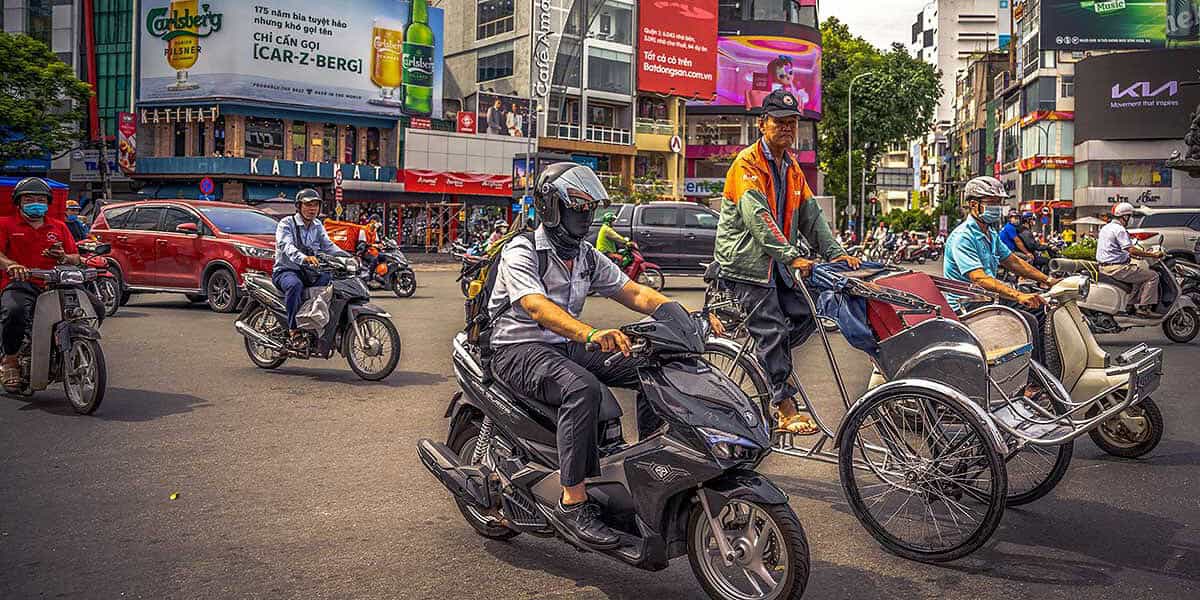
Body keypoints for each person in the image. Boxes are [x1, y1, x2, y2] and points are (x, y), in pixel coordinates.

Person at [488, 162, 722, 550]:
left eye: (588, 207)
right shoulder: (522, 249)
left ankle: (653, 462)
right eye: (576, 206)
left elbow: (633, 292)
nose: (584, 215)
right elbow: (535, 307)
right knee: (583, 388)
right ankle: (573, 501)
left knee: (653, 359)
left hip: (565, 345)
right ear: (551, 207)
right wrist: (592, 334)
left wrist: (680, 314)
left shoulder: (585, 256)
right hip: (518, 348)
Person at [715, 89, 860, 436]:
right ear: (762, 124)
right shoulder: (747, 164)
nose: (786, 127)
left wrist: (836, 253)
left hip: (778, 260)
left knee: (811, 311)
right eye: (779, 121)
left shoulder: (791, 166)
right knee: (773, 330)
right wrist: (794, 254)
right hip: (746, 262)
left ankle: (769, 362)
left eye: (792, 122)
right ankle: (783, 406)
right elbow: (758, 218)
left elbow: (812, 216)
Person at [943, 176, 1058, 363]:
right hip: (969, 305)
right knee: (1029, 321)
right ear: (974, 204)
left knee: (1044, 309)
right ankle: (1032, 382)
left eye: (999, 202)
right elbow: (979, 278)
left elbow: (1013, 262)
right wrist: (1018, 295)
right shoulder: (963, 236)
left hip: (988, 299)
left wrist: (1049, 280)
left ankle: (1046, 371)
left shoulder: (990, 233)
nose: (997, 207)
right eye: (992, 202)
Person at [0, 178, 84, 391]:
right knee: (14, 312)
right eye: (29, 199)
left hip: (56, 283)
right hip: (20, 283)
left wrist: (63, 256)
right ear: (18, 203)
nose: (35, 203)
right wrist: (12, 265)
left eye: (40, 199)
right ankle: (10, 361)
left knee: (95, 308)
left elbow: (76, 257)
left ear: (47, 203)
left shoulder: (59, 226)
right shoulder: (5, 224)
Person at [273, 189, 350, 349]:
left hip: (310, 272)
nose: (312, 208)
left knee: (330, 283)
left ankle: (317, 322)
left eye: (315, 205)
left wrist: (347, 257)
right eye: (308, 204)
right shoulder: (286, 224)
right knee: (295, 285)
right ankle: (294, 330)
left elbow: (328, 246)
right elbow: (286, 245)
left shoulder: (317, 225)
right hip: (287, 270)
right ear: (299, 206)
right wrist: (304, 258)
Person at [1098, 202, 1163, 318]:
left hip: (1105, 266)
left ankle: (1130, 305)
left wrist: (1135, 256)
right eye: (1130, 216)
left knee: (1138, 276)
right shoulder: (1120, 230)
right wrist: (1153, 255)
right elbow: (1131, 249)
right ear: (1125, 216)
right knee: (1153, 276)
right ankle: (1144, 308)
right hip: (1116, 268)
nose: (1131, 219)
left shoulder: (1106, 228)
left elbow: (1115, 249)